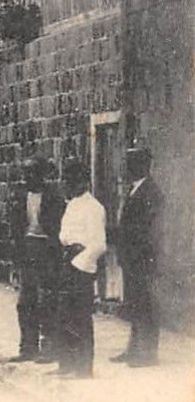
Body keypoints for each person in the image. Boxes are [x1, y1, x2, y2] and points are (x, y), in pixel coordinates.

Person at [10, 155, 66, 363]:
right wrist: (17, 257)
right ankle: (27, 347)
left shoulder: (54, 197)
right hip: (27, 250)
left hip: (48, 251)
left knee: (47, 301)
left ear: (42, 175)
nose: (28, 178)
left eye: (33, 173)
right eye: (26, 174)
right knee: (26, 302)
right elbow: (15, 227)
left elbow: (59, 228)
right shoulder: (20, 196)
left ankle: (49, 347)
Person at [55, 159, 106, 378]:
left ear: (82, 181)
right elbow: (65, 235)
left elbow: (98, 245)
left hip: (81, 267)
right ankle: (67, 365)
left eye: (71, 179)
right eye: (65, 179)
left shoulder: (93, 208)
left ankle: (84, 368)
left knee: (81, 317)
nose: (67, 183)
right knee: (64, 315)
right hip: (68, 262)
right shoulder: (72, 204)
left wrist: (79, 265)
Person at [114, 146, 160, 366]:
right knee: (135, 302)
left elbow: (149, 230)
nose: (125, 168)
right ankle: (133, 349)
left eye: (129, 163)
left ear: (141, 165)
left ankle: (147, 353)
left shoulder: (151, 192)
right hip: (131, 257)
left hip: (141, 257)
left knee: (144, 304)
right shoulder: (135, 190)